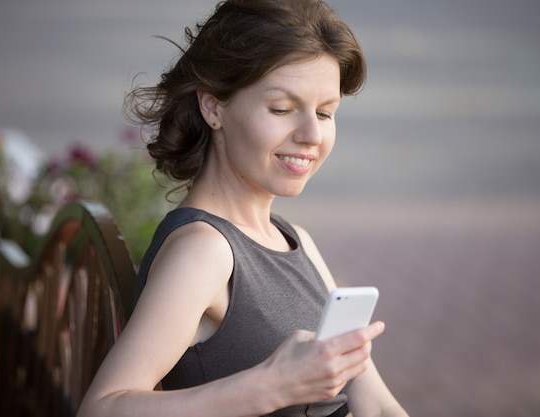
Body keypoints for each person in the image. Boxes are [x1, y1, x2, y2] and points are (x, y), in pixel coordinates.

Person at [77, 1, 409, 416]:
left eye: (325, 112)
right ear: (214, 107)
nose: (311, 134)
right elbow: (101, 409)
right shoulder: (204, 251)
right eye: (282, 109)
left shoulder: (294, 239)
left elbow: (374, 405)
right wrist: (271, 386)